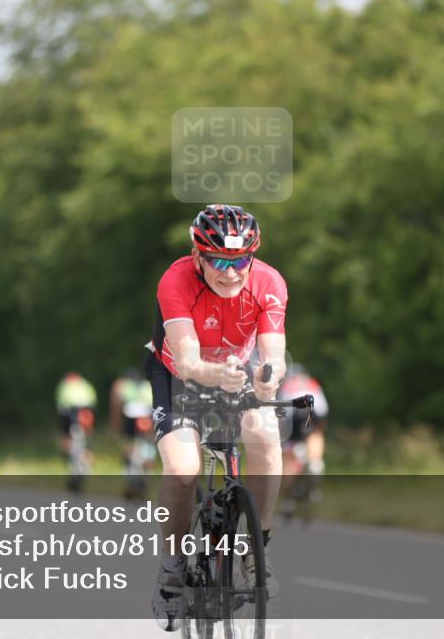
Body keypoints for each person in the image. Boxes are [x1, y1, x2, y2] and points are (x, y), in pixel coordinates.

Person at [145, 204, 288, 631]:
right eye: (220, 261)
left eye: (241, 260)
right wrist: (216, 375)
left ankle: (254, 553)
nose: (231, 273)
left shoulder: (269, 283)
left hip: (233, 373)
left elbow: (274, 356)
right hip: (177, 377)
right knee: (183, 468)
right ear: (197, 257)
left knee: (265, 434)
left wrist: (267, 379)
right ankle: (172, 571)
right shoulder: (175, 280)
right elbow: (188, 360)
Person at [278, 364, 329, 517]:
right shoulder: (313, 383)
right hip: (313, 417)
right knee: (315, 439)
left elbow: (281, 418)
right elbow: (323, 411)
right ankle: (315, 467)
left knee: (288, 461)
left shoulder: (285, 386)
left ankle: (288, 500)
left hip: (291, 421)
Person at [109, 368, 156, 498]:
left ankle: (131, 475)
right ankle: (147, 474)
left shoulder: (122, 385)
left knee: (127, 446)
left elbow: (116, 405)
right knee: (149, 446)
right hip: (147, 417)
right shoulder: (148, 386)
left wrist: (116, 426)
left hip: (130, 417)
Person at [56, 372, 97, 475]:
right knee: (88, 437)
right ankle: (87, 459)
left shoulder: (64, 385)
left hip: (71, 414)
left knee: (66, 436)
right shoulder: (85, 384)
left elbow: (60, 405)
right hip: (87, 412)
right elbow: (93, 401)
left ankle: (69, 457)